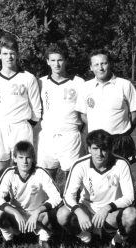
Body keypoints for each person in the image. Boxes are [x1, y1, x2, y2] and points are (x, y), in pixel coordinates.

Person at [57, 130, 136, 248]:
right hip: (87, 211)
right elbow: (68, 196)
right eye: (95, 148)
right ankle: (87, 239)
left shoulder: (122, 164)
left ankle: (116, 242)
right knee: (62, 214)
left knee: (131, 214)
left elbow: (130, 197)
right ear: (89, 149)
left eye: (103, 149)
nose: (99, 154)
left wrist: (107, 208)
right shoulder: (79, 165)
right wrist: (79, 212)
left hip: (110, 214)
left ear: (110, 149)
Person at [0, 35, 42, 183]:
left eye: (12, 53)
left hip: (21, 128)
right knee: (1, 177)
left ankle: (23, 204)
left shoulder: (28, 78)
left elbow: (36, 111)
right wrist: (1, 123)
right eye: (5, 53)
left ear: (17, 54)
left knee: (24, 174)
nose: (9, 57)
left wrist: (26, 125)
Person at [0, 141, 61, 248]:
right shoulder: (9, 173)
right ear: (14, 158)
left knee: (54, 212)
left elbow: (57, 197)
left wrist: (38, 211)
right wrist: (15, 212)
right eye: (21, 157)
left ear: (33, 159)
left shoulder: (40, 173)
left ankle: (44, 238)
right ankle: (8, 238)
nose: (25, 161)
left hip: (37, 215)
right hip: (17, 215)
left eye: (28, 157)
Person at [76, 50, 136, 164]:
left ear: (109, 64)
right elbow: (82, 115)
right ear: (91, 67)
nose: (100, 68)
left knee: (120, 178)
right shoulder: (85, 87)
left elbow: (135, 115)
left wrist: (124, 133)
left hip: (119, 142)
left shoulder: (125, 85)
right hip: (96, 141)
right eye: (96, 64)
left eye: (103, 63)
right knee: (97, 177)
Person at [37, 45, 85, 180]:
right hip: (48, 136)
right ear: (47, 61)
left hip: (70, 135)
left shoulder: (78, 82)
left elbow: (84, 112)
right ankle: (51, 201)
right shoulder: (41, 83)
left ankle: (69, 201)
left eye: (60, 60)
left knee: (72, 178)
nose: (56, 64)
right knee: (46, 178)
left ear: (65, 61)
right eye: (52, 60)